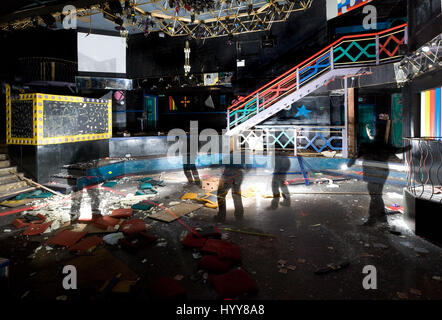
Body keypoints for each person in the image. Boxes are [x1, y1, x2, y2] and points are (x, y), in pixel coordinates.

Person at [347, 122, 409, 226]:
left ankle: (374, 219)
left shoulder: (367, 145)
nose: (371, 131)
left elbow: (354, 159)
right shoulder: (381, 145)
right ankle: (381, 218)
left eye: (373, 130)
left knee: (375, 196)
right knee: (376, 196)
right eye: (369, 129)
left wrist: (351, 162)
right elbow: (399, 150)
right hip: (381, 174)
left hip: (373, 175)